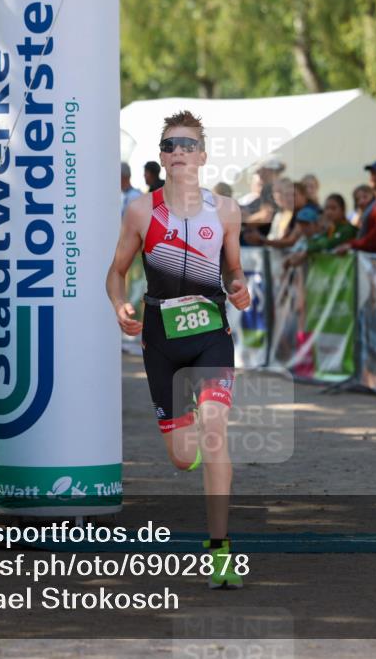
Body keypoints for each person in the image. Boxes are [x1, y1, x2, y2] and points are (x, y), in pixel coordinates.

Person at [106, 110, 250, 589]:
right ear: (163, 157)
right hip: (161, 339)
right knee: (182, 454)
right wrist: (118, 303)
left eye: (189, 144)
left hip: (211, 334)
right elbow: (117, 270)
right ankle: (179, 421)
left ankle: (220, 551)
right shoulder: (141, 212)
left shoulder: (226, 210)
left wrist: (239, 287)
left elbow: (233, 270)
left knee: (215, 431)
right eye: (170, 144)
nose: (180, 151)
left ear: (203, 155)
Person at [285, 193, 357, 268]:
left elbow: (327, 243)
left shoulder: (348, 229)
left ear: (343, 210)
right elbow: (317, 240)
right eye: (327, 208)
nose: (329, 212)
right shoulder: (331, 229)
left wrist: (306, 252)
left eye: (333, 208)